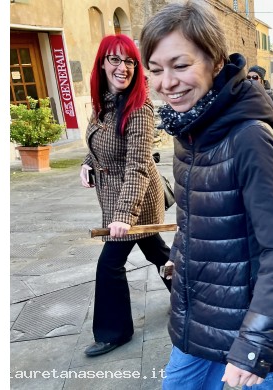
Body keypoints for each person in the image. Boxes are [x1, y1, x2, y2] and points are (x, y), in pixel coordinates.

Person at [139, 1, 273, 389]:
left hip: (253, 334)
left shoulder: (249, 137)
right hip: (198, 321)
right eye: (155, 70)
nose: (166, 82)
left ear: (216, 63)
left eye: (180, 65)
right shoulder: (189, 129)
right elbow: (197, 222)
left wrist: (253, 347)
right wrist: (180, 262)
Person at [79, 34, 172, 357]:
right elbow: (98, 143)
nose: (123, 68)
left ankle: (114, 331)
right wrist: (86, 164)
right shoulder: (104, 102)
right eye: (115, 60)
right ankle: (194, 299)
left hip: (137, 200)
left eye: (130, 61)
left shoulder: (139, 109)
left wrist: (123, 216)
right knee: (159, 253)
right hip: (115, 198)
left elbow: (137, 167)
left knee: (109, 265)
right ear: (103, 63)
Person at [247, 65, 273, 129]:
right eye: (248, 77)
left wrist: (264, 128)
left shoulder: (271, 98)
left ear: (262, 81)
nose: (251, 79)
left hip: (264, 134)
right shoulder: (244, 96)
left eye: (255, 77)